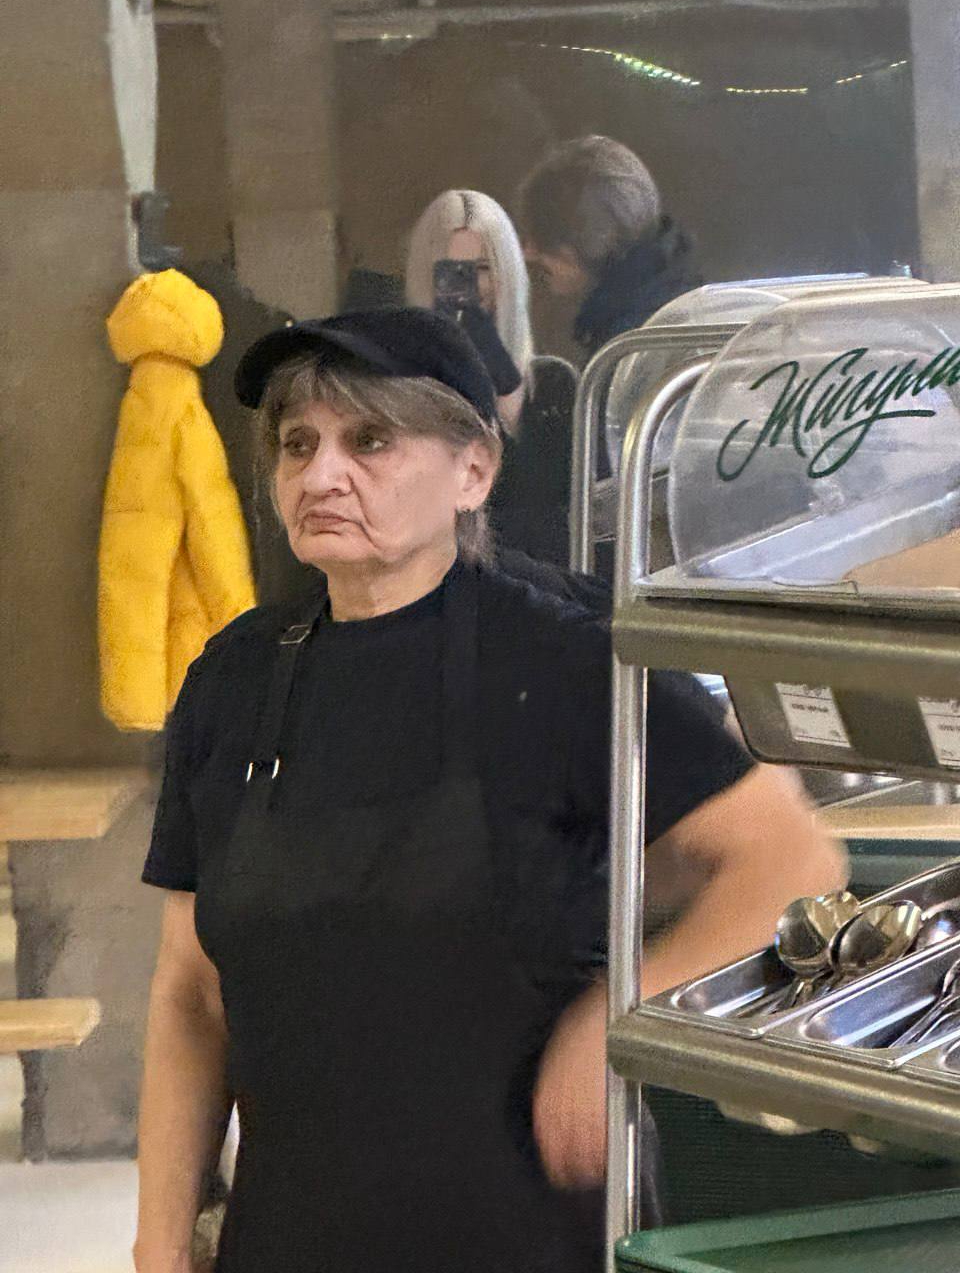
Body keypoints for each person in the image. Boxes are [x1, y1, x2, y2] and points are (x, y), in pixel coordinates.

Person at [134, 306, 846, 1273]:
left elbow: (789, 859)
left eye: (369, 441)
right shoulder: (233, 679)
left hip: (523, 1234)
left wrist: (619, 1016)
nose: (321, 474)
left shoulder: (565, 660)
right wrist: (160, 1242)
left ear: (473, 471)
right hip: (292, 1235)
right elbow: (191, 994)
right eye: (298, 445)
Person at [406, 188, 579, 567]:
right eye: (451, 272)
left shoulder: (554, 386)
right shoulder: (398, 387)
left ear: (506, 272)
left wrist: (507, 387)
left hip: (535, 581)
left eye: (483, 268)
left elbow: (551, 507)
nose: (470, 286)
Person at [518, 135, 700, 361]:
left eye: (547, 239)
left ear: (593, 241)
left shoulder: (633, 347)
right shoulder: (661, 306)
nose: (528, 253)